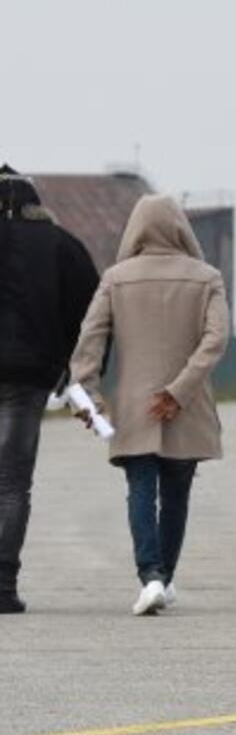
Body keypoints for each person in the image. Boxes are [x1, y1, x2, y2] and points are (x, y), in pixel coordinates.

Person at [69, 195, 230, 616]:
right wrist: (179, 390)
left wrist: (88, 394)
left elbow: (90, 339)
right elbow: (216, 339)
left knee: (140, 488)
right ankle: (164, 577)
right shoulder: (207, 277)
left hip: (135, 406)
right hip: (188, 404)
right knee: (177, 493)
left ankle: (152, 576)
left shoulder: (116, 278)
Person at [0, 166, 98, 614]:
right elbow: (91, 312)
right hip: (29, 376)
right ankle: (3, 586)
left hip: (29, 370)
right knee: (12, 482)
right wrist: (73, 369)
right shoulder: (61, 245)